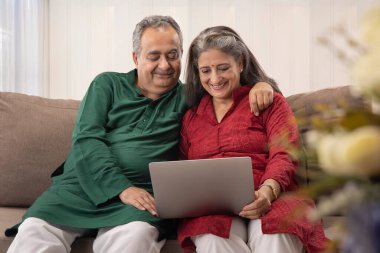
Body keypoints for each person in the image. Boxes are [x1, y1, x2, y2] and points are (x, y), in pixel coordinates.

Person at [5, 16, 275, 253]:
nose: (165, 65)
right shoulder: (106, 84)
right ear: (136, 58)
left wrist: (263, 84)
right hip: (79, 188)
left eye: (172, 54)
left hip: (143, 198)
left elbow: (228, 84)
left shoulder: (189, 96)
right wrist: (121, 188)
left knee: (136, 237)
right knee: (34, 235)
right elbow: (87, 139)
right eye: (154, 55)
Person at [177, 26, 328, 253]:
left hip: (274, 197)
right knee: (211, 239)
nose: (214, 78)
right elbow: (182, 170)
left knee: (276, 234)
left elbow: (284, 152)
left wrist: (268, 190)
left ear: (240, 63)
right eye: (205, 70)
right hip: (213, 209)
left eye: (223, 68)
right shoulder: (191, 117)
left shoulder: (270, 102)